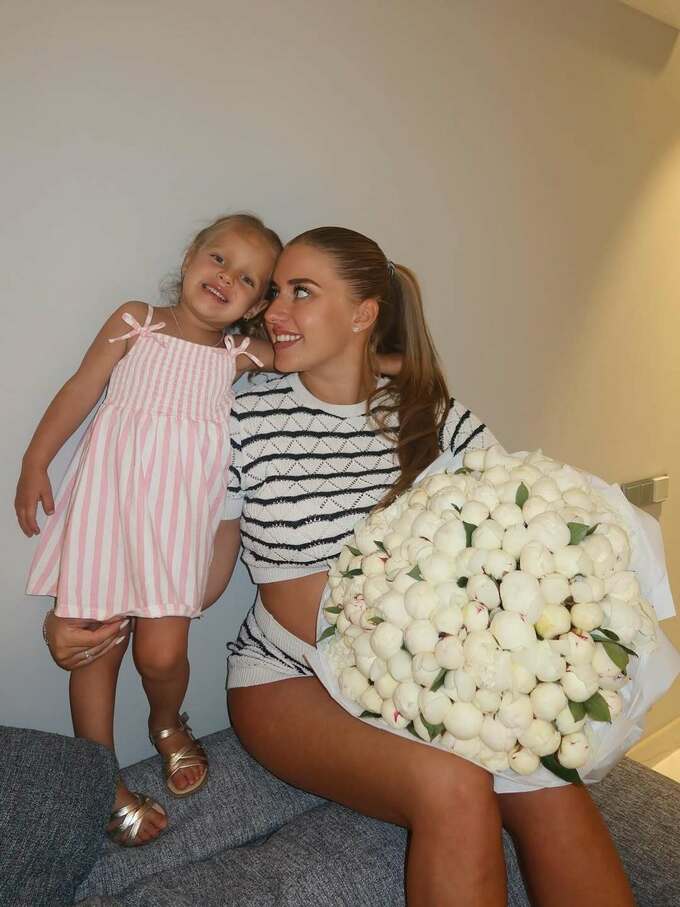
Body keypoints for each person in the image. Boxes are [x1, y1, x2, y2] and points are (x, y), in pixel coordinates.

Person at [44, 226, 635, 905]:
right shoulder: (239, 415)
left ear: (363, 314)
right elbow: (181, 554)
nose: (273, 311)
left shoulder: (436, 417)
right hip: (289, 682)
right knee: (453, 785)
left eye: (301, 292)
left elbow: (523, 544)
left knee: (554, 782)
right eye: (274, 293)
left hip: (432, 681)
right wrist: (99, 618)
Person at [16, 213, 282, 846]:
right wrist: (35, 461)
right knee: (96, 646)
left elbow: (312, 353)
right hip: (106, 515)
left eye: (248, 279)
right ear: (190, 258)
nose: (226, 278)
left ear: (255, 305)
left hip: (174, 529)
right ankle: (100, 779)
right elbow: (81, 388)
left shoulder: (239, 357)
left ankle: (166, 722)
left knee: (161, 655)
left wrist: (386, 353)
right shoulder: (136, 321)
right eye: (219, 259)